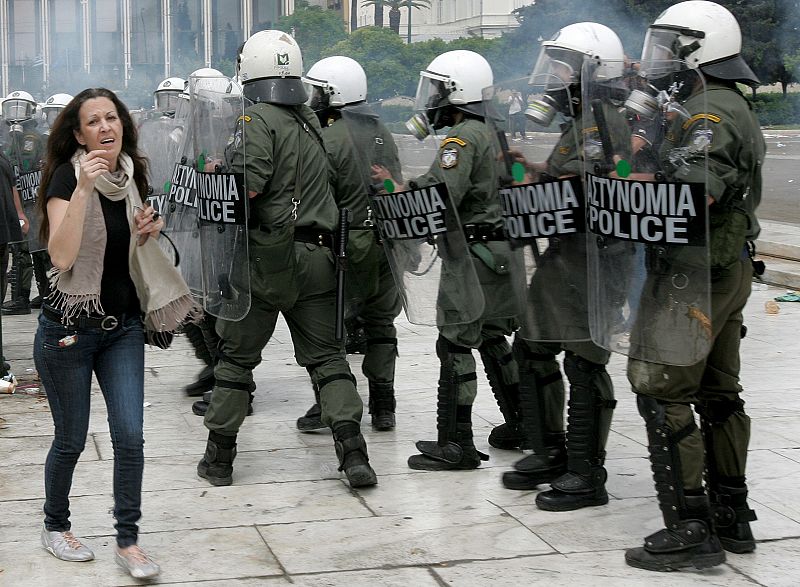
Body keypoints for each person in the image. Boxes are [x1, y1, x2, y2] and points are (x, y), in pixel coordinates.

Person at [197, 30, 378, 488]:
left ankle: (219, 459)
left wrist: (214, 176)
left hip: (265, 258)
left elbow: (249, 187)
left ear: (250, 71)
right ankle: (353, 452)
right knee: (329, 359)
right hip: (319, 256)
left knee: (237, 360)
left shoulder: (254, 120)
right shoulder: (310, 120)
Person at [620, 1, 765, 571]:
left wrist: (639, 167)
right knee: (719, 393)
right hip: (719, 271)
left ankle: (691, 525)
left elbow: (694, 194)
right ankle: (732, 516)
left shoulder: (709, 114)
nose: (657, 59)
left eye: (668, 46)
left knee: (663, 390)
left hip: (692, 273)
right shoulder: (708, 107)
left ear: (698, 51)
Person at [35, 88, 198, 580]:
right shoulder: (68, 178)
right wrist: (83, 189)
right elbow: (62, 257)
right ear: (79, 135)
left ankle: (127, 541)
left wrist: (145, 229)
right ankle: (54, 524)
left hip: (121, 328)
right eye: (94, 121)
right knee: (71, 439)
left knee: (131, 437)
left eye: (112, 118)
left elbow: (123, 243)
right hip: (69, 331)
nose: (106, 127)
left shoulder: (129, 175)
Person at [498, 23, 629, 512]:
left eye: (561, 65)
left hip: (594, 258)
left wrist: (532, 183)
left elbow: (588, 189)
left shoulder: (601, 121)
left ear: (589, 70)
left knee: (583, 358)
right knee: (532, 345)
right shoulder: (581, 123)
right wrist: (520, 170)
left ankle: (585, 470)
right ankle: (550, 448)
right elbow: (557, 183)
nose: (551, 75)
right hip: (568, 253)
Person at [375, 50, 520, 471]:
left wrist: (397, 188)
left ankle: (455, 443)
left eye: (437, 90)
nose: (432, 99)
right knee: (493, 338)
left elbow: (442, 194)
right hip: (497, 254)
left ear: (456, 92)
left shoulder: (460, 140)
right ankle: (521, 423)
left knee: (455, 342)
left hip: (471, 255)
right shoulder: (493, 131)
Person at [298, 55, 403, 432]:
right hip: (387, 241)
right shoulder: (381, 130)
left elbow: (317, 197)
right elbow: (394, 184)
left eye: (318, 91)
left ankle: (331, 403)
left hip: (346, 242)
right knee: (381, 324)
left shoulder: (328, 137)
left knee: (330, 329)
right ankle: (384, 405)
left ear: (332, 94)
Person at [2, 90, 47, 315]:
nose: (15, 113)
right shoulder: (9, 138)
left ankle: (33, 295)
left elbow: (26, 161)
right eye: (12, 107)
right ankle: (27, 295)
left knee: (35, 248)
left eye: (21, 108)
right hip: (20, 197)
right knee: (22, 248)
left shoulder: (32, 137)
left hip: (31, 199)